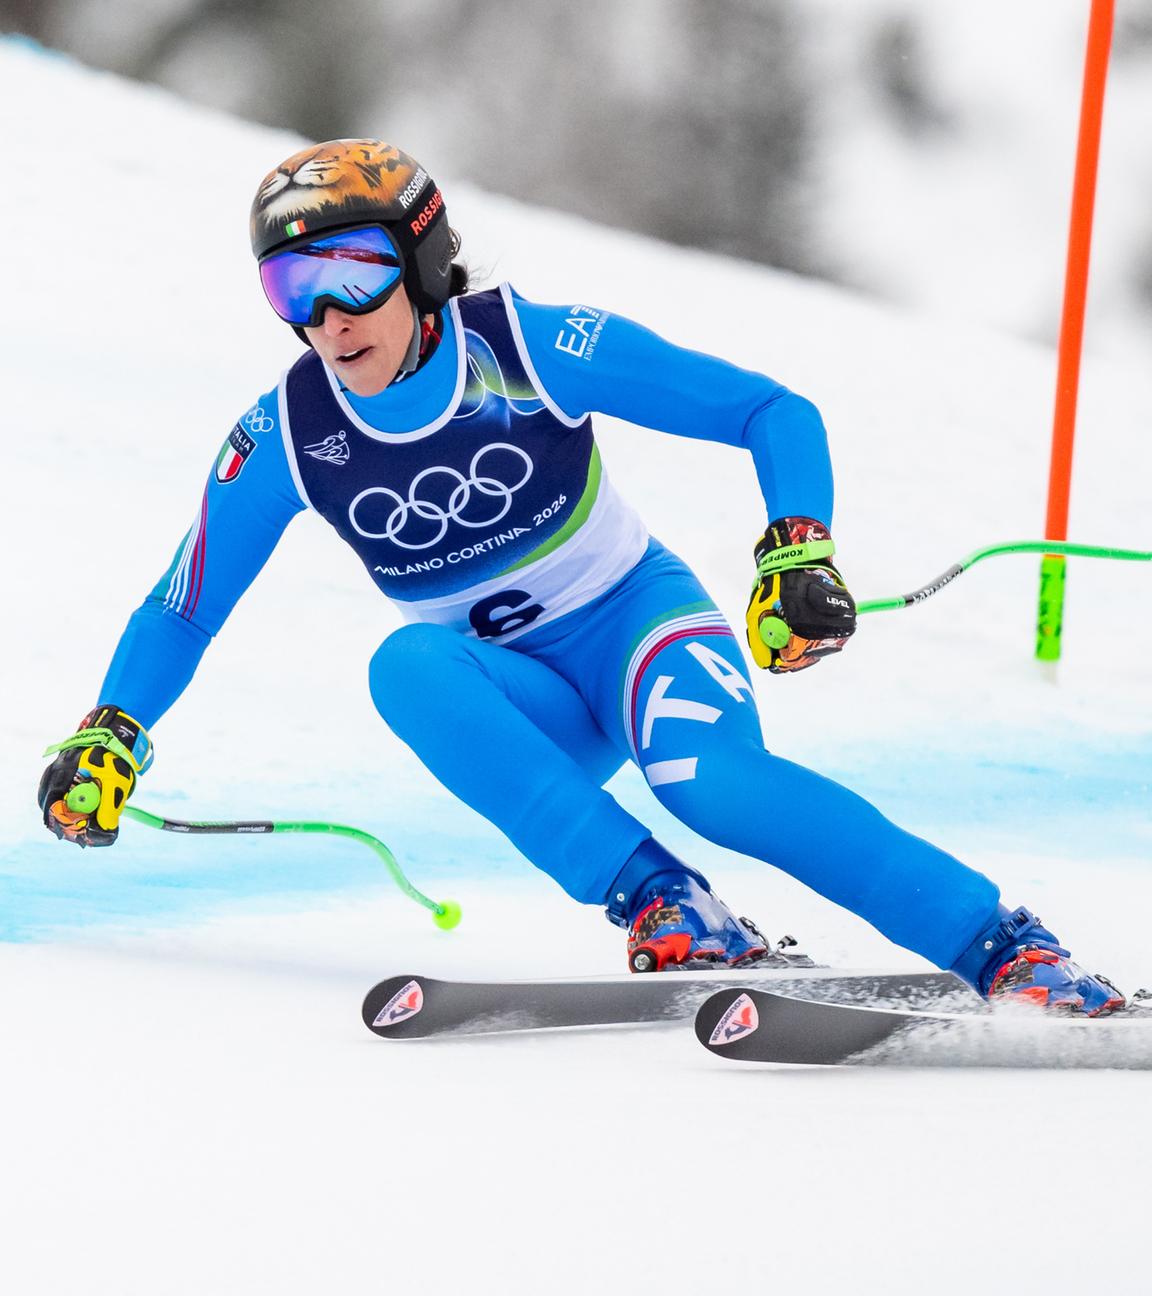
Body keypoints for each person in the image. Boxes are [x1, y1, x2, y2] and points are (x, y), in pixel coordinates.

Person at [38, 139, 1124, 1015]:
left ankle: (1006, 946)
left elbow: (768, 411)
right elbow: (182, 605)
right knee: (408, 666)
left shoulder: (531, 345)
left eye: (353, 272)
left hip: (641, 631)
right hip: (530, 699)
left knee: (718, 786)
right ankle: (664, 903)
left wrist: (797, 546)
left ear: (419, 263)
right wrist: (112, 729)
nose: (327, 316)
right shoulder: (286, 433)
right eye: (291, 285)